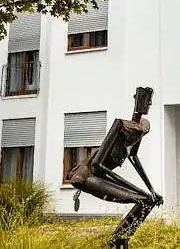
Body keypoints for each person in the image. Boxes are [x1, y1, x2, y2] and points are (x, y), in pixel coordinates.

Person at [69, 87, 163, 246]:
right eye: (145, 99)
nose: (147, 104)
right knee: (143, 200)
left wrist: (152, 189)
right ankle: (114, 243)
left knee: (148, 200)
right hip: (86, 177)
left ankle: (120, 240)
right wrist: (139, 190)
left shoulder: (138, 132)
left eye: (149, 101)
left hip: (98, 175)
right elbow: (97, 164)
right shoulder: (120, 126)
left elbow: (134, 157)